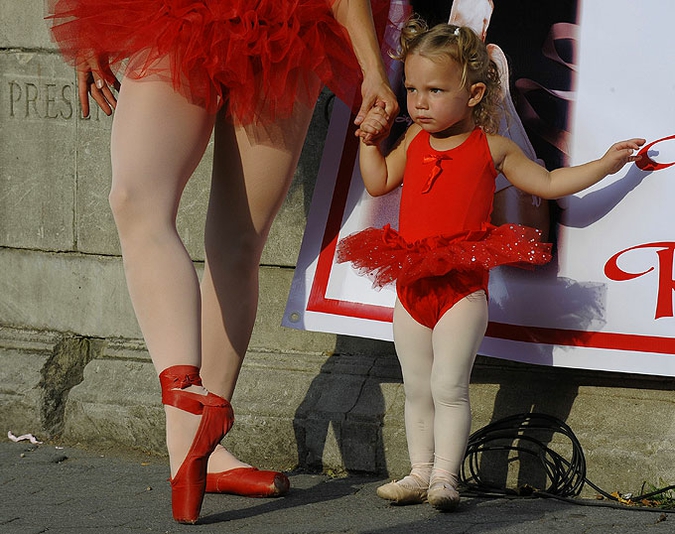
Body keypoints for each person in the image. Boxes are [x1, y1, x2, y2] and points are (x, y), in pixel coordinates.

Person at [46, 0, 399, 524]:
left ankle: (198, 451)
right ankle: (189, 409)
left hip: (286, 27)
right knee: (140, 200)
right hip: (181, 16)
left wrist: (373, 70)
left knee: (233, 241)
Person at [339, 17, 644, 512]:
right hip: (411, 286)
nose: (418, 101)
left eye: (434, 90)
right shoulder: (415, 141)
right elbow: (378, 183)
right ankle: (418, 473)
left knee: (448, 385)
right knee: (417, 386)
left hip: (461, 289)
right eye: (413, 88)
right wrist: (367, 141)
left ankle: (444, 478)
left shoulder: (492, 148)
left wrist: (606, 166)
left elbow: (547, 185)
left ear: (475, 93)